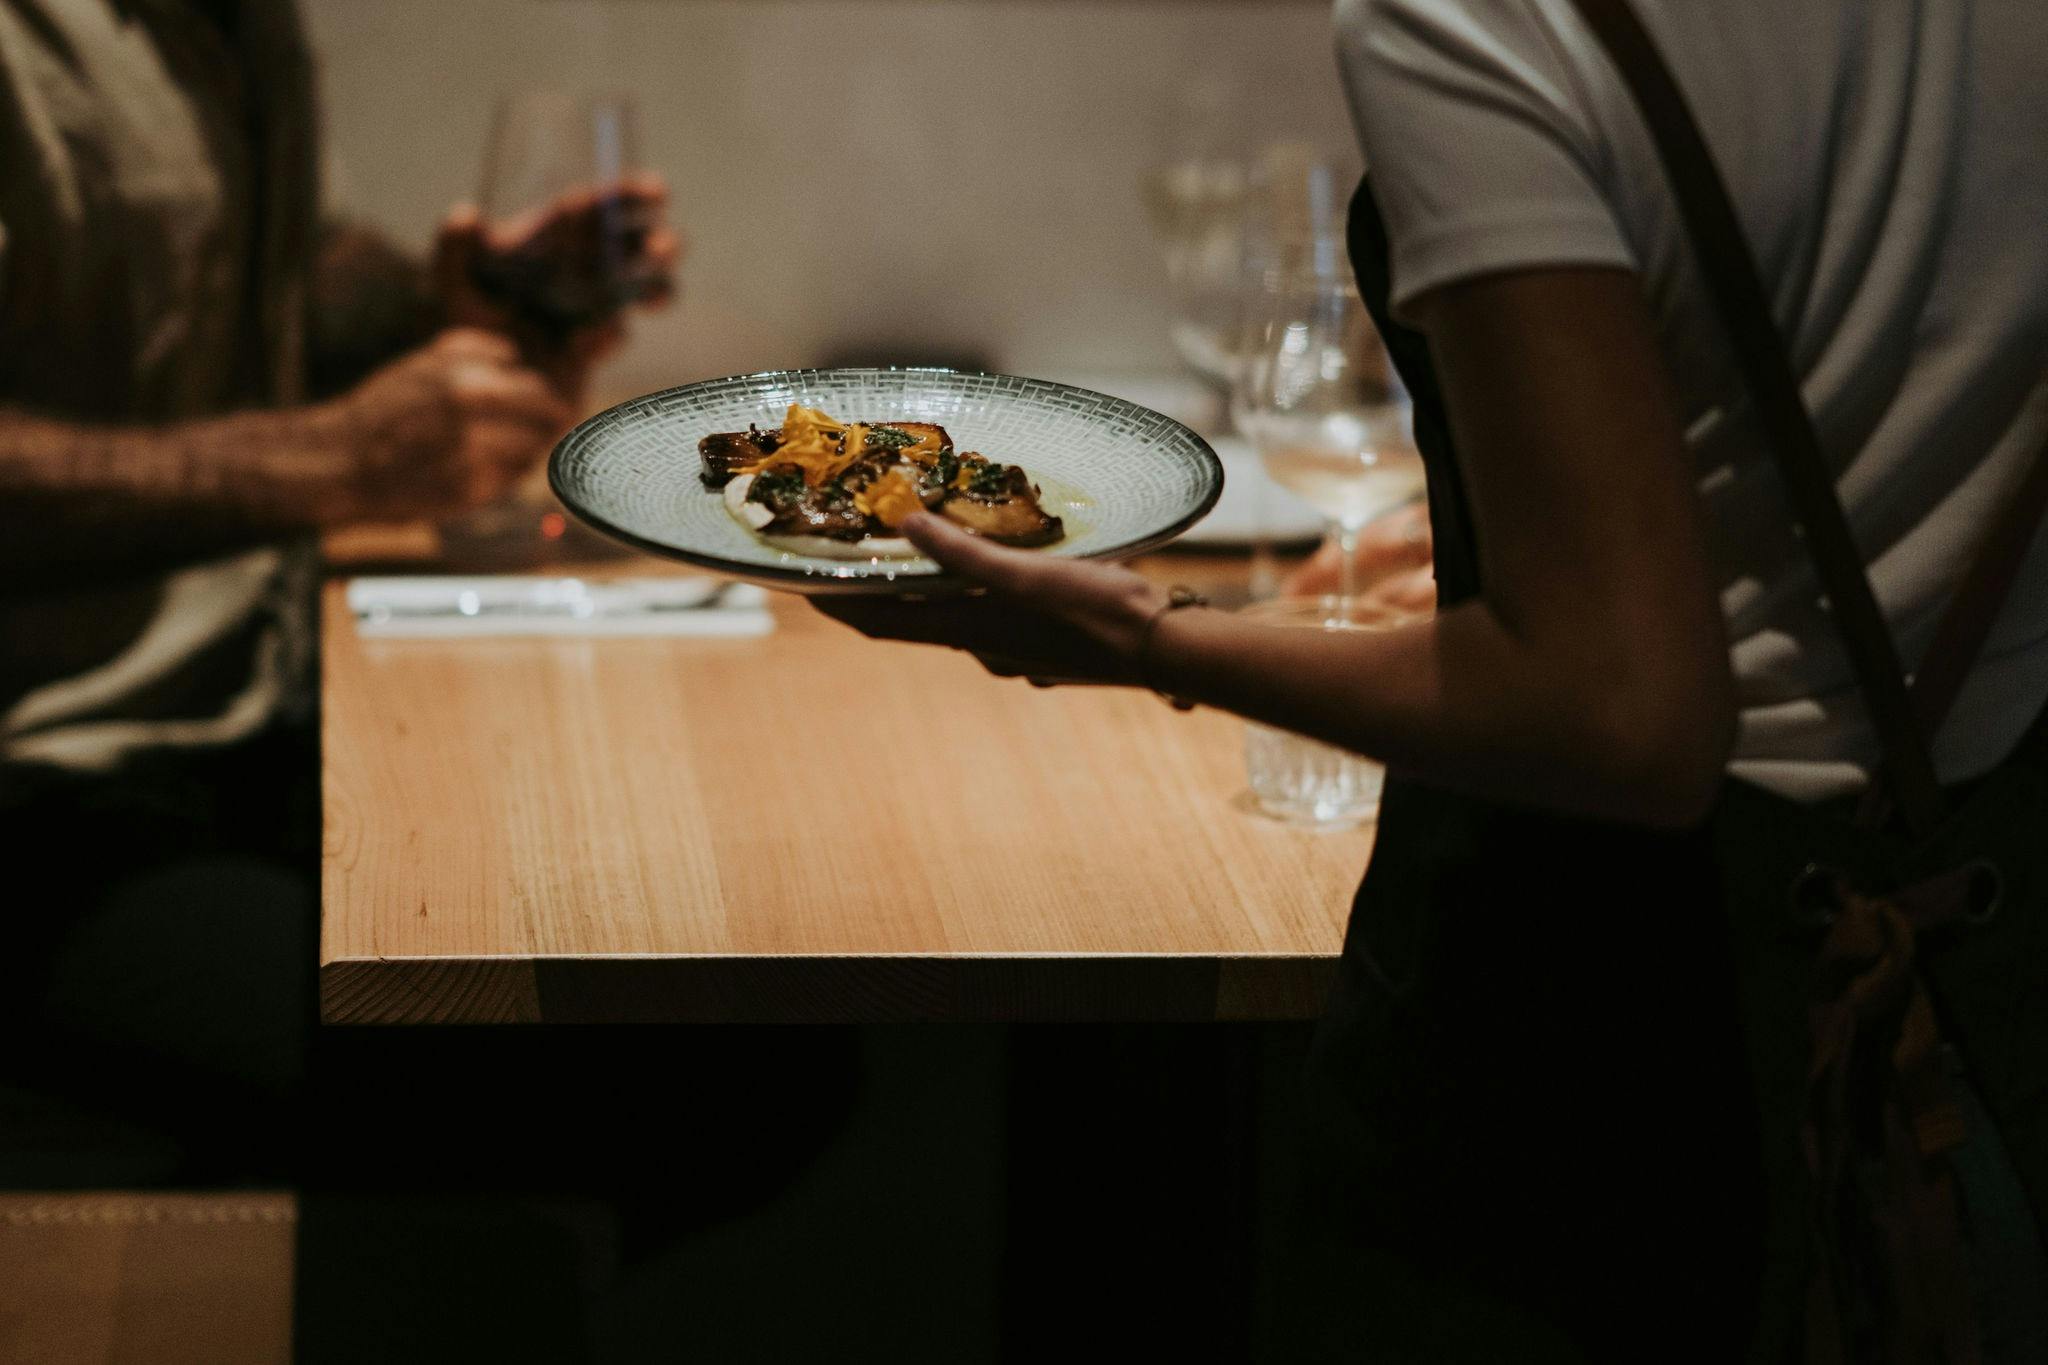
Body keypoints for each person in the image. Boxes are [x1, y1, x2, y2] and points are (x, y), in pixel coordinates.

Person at [817, 0, 2048, 1358]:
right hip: (1992, 968)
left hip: (1603, 1052)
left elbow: (1621, 710)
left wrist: (1139, 634)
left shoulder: (1479, 21)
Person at [0, 0, 677, 1175]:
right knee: (647, 1080)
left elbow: (274, 272)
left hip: (260, 704)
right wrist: (337, 463)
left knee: (674, 960)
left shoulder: (229, 22)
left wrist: (455, 307)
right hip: (52, 788)